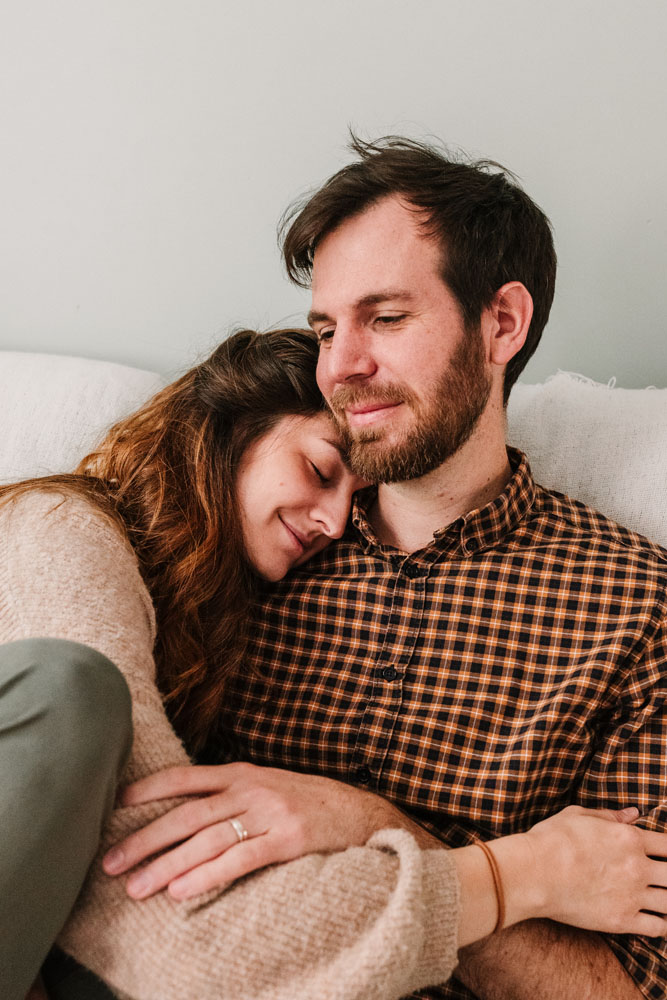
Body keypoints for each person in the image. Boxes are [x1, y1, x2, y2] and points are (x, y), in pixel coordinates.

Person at [107, 137, 667, 1000]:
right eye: (326, 328)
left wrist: (365, 824)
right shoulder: (261, 539)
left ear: (501, 324)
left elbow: (627, 987)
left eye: (387, 319)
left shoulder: (635, 606)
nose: (339, 365)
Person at [2, 329, 667, 1000]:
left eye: (354, 500)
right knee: (73, 689)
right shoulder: (59, 529)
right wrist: (515, 875)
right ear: (229, 432)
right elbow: (175, 909)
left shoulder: (215, 616)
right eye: (320, 472)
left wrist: (366, 819)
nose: (331, 522)